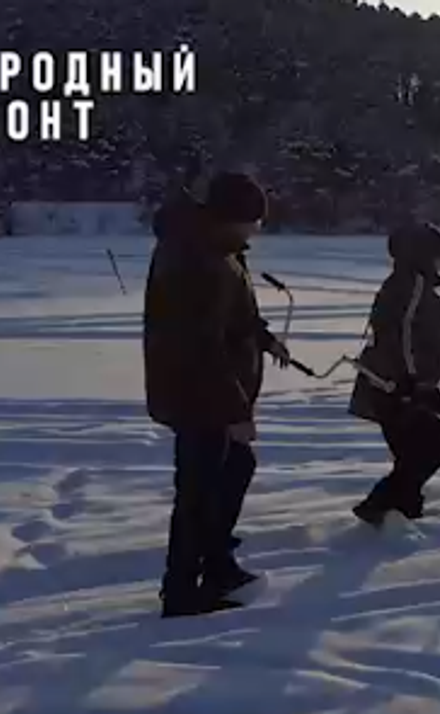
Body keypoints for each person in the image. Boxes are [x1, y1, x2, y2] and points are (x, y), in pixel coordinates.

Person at [142, 172, 291, 617]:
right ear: (229, 217)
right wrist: (234, 411)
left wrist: (263, 338)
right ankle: (183, 591)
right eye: (251, 221)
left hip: (208, 393)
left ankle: (218, 563)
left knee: (234, 468)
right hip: (196, 393)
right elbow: (200, 345)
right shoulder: (195, 259)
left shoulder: (218, 252)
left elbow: (234, 315)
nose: (255, 231)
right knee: (199, 492)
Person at [348, 221, 440, 526]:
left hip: (397, 382)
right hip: (402, 384)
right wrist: (413, 381)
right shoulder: (412, 286)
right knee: (432, 448)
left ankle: (404, 510)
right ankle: (380, 504)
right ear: (422, 255)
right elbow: (403, 335)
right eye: (438, 256)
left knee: (414, 451)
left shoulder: (403, 284)